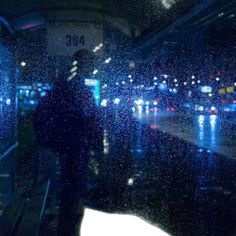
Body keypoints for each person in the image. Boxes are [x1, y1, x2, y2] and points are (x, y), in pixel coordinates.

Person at [32, 49, 103, 236]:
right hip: (74, 144)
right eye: (90, 63)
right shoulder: (75, 85)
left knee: (69, 186)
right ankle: (67, 227)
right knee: (73, 186)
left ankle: (67, 224)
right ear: (83, 64)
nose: (92, 68)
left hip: (67, 143)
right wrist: (93, 133)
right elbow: (84, 115)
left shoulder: (67, 83)